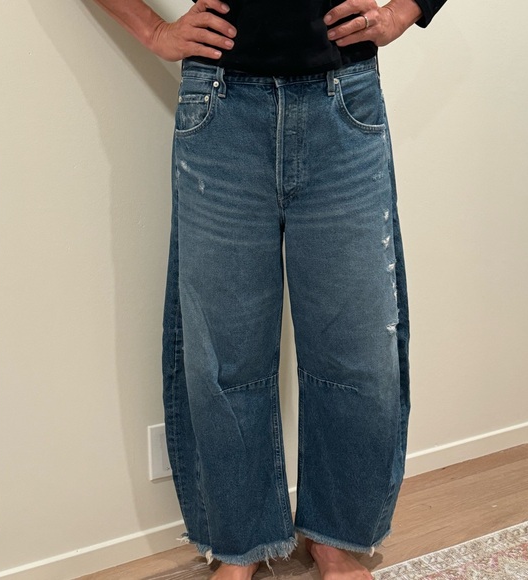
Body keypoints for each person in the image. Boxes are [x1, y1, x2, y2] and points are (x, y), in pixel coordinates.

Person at [93, 1, 447, 578]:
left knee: (357, 350)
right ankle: (240, 543)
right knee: (223, 354)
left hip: (344, 104)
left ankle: (334, 538)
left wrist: (403, 12)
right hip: (220, 109)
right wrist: (154, 31)